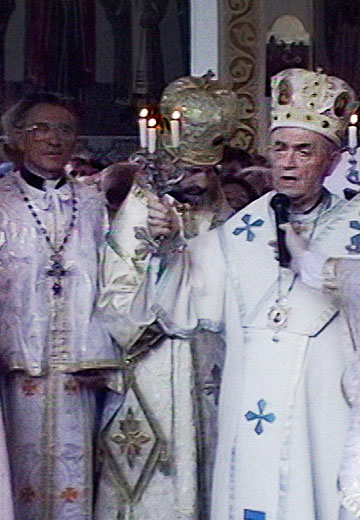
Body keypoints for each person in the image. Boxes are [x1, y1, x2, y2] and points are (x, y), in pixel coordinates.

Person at [129, 68, 360, 519]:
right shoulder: (243, 226)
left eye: (304, 151)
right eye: (280, 149)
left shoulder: (356, 226)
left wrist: (327, 269)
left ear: (331, 162)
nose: (288, 163)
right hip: (248, 398)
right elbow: (187, 293)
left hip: (326, 407)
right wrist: (169, 245)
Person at [95, 74, 238, 519]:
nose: (197, 180)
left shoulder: (224, 212)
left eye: (207, 171)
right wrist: (162, 261)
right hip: (154, 371)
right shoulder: (143, 205)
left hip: (213, 369)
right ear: (171, 160)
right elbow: (116, 300)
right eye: (189, 170)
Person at [0, 92, 124, 520]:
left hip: (79, 366)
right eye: (41, 128)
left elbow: (116, 276)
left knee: (78, 478)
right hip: (16, 366)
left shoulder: (93, 203)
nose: (54, 139)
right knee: (15, 477)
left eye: (65, 129)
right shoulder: (1, 201)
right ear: (16, 136)